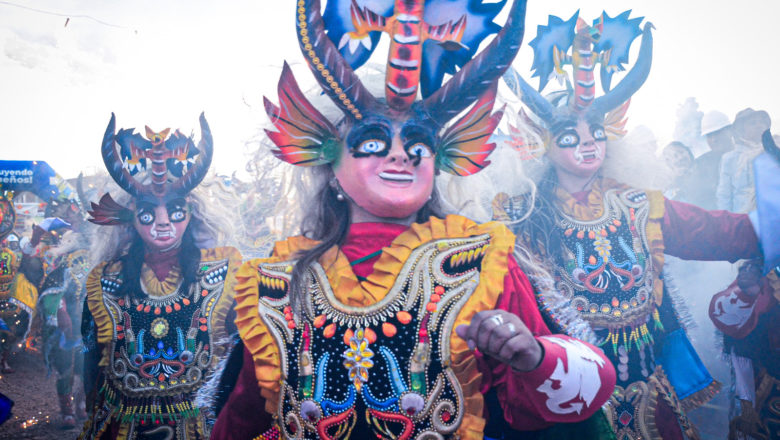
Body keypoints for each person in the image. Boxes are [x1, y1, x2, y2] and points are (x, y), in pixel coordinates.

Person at [211, 1, 617, 439]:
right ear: (329, 166)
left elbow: (552, 411)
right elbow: (247, 415)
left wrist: (534, 357)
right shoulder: (275, 281)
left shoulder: (484, 264)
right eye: (372, 142)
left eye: (418, 144)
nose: (400, 154)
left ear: (439, 163)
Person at [500, 10, 768, 439]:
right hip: (569, 393)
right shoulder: (517, 217)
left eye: (597, 132)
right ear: (541, 142)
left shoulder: (639, 203)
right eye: (571, 135)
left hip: (649, 385)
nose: (588, 142)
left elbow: (714, 230)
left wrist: (767, 225)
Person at [79, 114, 241, 439]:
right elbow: (91, 370)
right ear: (130, 217)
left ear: (192, 212)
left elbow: (236, 372)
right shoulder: (105, 284)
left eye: (176, 209)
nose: (164, 221)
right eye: (149, 211)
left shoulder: (223, 277)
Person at [716, 108, 771, 213]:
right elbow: (724, 196)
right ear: (741, 130)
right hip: (742, 219)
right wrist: (727, 222)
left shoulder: (773, 154)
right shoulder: (730, 159)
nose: (759, 126)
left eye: (762, 122)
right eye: (753, 123)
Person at [687, 110, 734, 209]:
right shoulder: (700, 165)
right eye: (709, 135)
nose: (713, 139)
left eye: (717, 133)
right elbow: (695, 199)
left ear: (730, 130)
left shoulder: (748, 158)